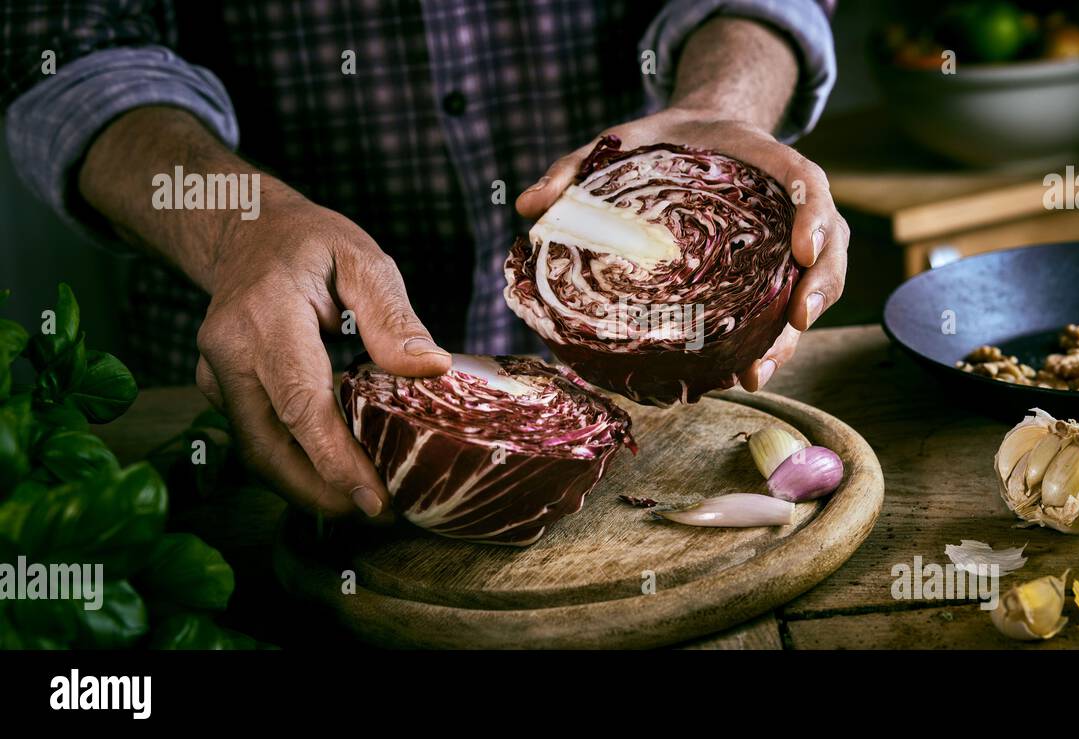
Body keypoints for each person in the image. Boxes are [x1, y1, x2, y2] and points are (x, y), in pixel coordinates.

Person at [1, 0, 849, 521]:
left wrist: (719, 106)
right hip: (260, 352)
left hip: (626, 371)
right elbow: (66, 48)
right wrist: (237, 227)